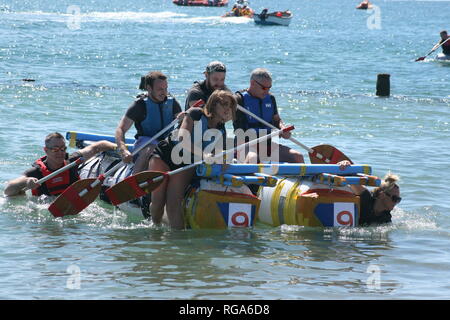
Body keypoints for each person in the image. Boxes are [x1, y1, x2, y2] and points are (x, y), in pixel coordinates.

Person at [149, 90, 237, 229]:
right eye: (224, 104)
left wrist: (223, 161)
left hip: (186, 162)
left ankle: (178, 240)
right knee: (158, 200)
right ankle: (155, 228)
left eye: (230, 106)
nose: (228, 108)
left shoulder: (221, 130)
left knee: (173, 201)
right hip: (165, 155)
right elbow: (182, 139)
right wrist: (203, 155)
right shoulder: (195, 114)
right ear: (214, 104)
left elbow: (218, 154)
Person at [4, 132, 116, 197]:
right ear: (46, 150)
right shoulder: (36, 172)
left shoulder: (71, 162)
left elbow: (98, 146)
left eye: (63, 149)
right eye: (55, 149)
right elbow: (8, 190)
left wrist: (119, 148)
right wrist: (26, 182)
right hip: (44, 208)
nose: (60, 152)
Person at [115, 71, 182, 174]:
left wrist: (182, 118)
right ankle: (135, 178)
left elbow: (181, 119)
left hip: (166, 144)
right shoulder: (139, 105)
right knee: (151, 148)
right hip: (144, 146)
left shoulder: (172, 102)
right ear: (149, 88)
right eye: (160, 89)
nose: (164, 92)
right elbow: (121, 129)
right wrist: (123, 150)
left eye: (166, 88)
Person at [233, 68, 304, 164]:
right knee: (253, 158)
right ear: (252, 83)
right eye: (264, 88)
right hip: (245, 145)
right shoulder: (238, 99)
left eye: (269, 88)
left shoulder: (270, 98)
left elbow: (277, 120)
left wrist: (283, 129)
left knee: (298, 157)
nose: (267, 91)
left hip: (267, 145)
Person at [338, 160, 401, 226]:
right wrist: (345, 163)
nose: (396, 202)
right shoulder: (366, 197)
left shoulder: (386, 217)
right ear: (382, 195)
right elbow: (349, 179)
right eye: (395, 198)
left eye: (398, 200)